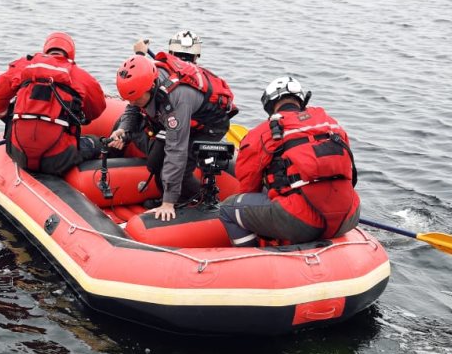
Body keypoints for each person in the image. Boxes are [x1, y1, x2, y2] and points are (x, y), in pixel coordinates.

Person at [108, 30, 238, 221]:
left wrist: (167, 202)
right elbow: (132, 108)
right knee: (129, 128)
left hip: (208, 126)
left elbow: (176, 150)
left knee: (176, 168)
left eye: (136, 98)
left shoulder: (177, 99)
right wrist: (123, 130)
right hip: (180, 116)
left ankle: (201, 202)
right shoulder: (147, 78)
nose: (133, 101)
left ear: (150, 87)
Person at [218, 75, 360, 246]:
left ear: (270, 105)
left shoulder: (263, 133)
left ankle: (251, 258)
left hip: (302, 220)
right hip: (348, 216)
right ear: (301, 101)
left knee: (228, 209)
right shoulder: (332, 125)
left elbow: (248, 186)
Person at [0, 31, 107, 176]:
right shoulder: (79, 76)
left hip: (17, 153)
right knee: (96, 142)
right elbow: (97, 109)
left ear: (46, 49)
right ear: (70, 53)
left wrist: (7, 118)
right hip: (58, 159)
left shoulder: (24, 66)